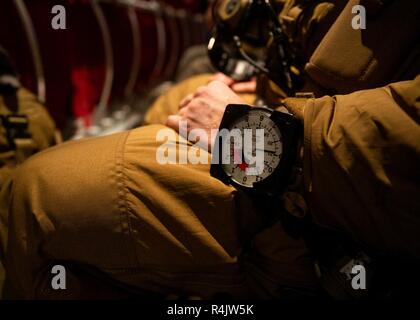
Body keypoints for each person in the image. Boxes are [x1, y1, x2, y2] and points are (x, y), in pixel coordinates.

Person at [0, 0, 419, 299]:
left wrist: (260, 134)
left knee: (38, 198)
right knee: (175, 102)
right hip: (313, 148)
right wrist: (271, 89)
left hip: (325, 209)